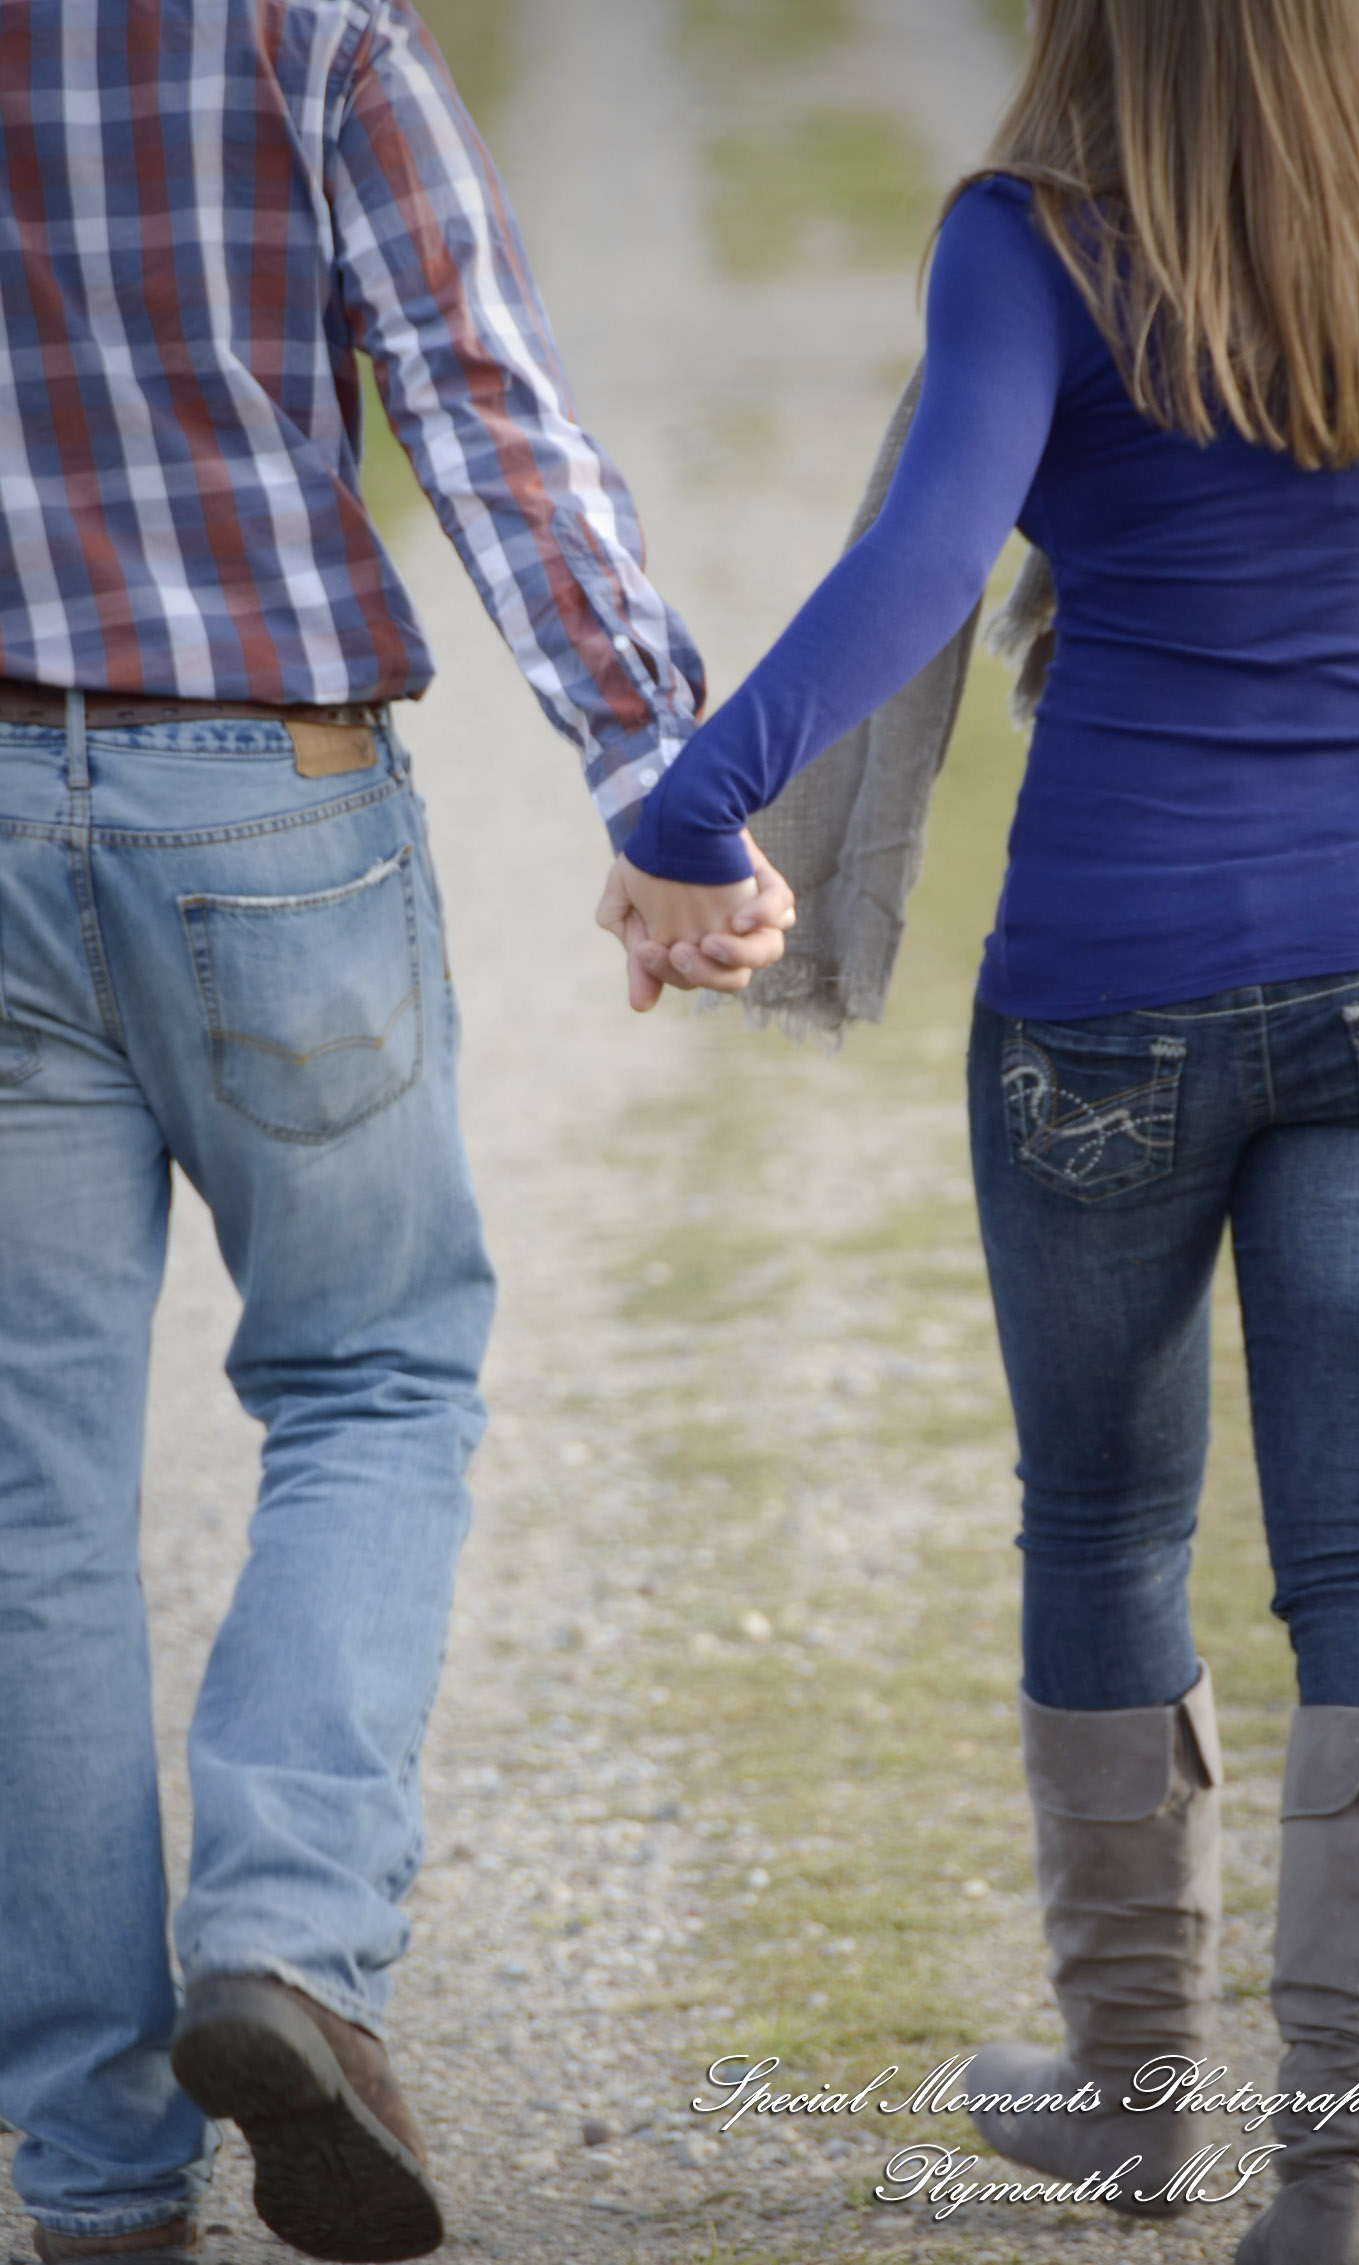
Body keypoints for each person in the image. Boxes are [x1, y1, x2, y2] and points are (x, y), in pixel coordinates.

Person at [603, 2, 1359, 2258]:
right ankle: (1341, 2182)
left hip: (1114, 987)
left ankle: (1133, 2102)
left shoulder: (1031, 239)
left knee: (1103, 1515)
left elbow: (930, 554)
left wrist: (697, 801)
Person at [0, 5, 792, 2263]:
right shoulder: (309, 25)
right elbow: (479, 399)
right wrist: (659, 778)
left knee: (30, 1493)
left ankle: (96, 2182)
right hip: (271, 791)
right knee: (370, 1374)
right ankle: (286, 1940)